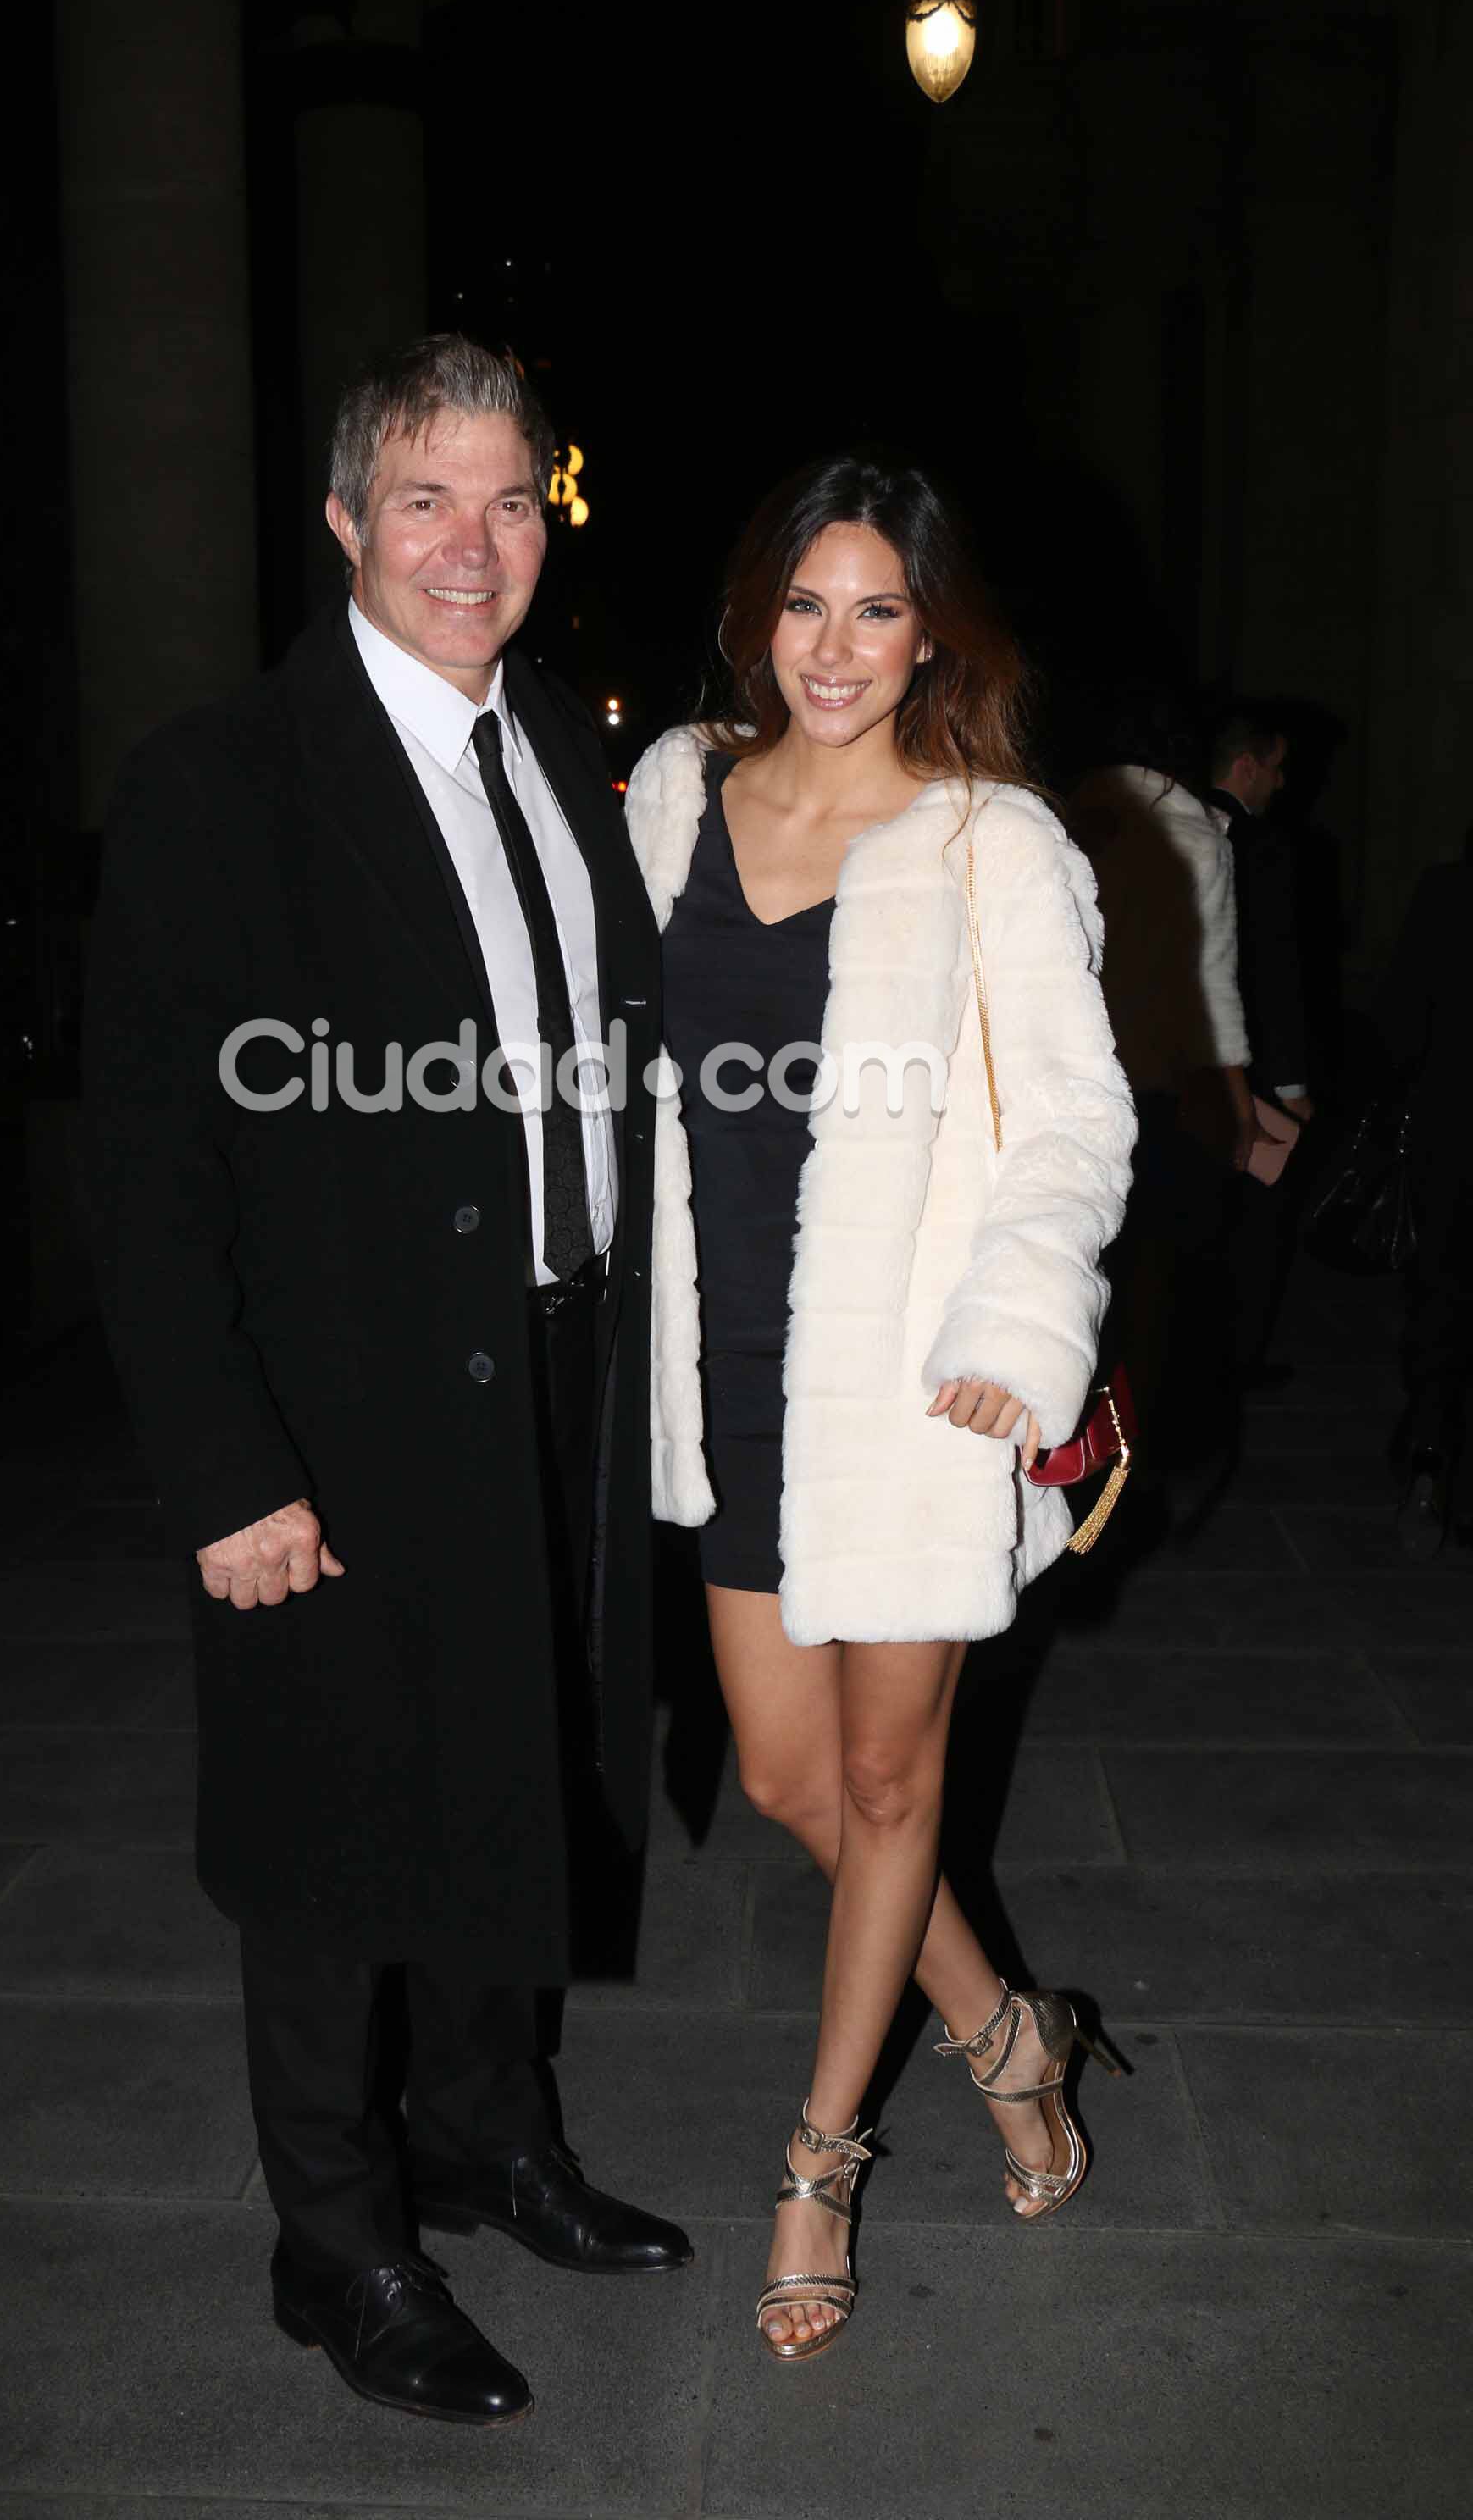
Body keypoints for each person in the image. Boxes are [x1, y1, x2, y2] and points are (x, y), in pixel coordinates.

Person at [84, 334, 687, 2431]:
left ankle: (483, 2133)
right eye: (422, 496)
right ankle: (332, 2243)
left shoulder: (554, 756)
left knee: (505, 1769)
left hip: (550, 1362)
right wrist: (223, 1466)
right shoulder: (221, 779)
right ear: (343, 520)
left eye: (509, 495)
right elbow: (149, 1172)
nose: (470, 539)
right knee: (334, 1834)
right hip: (332, 1412)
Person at [624, 454, 1135, 2361]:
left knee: (886, 1780)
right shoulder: (677, 794)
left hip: (917, 1381)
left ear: (932, 632)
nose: (833, 648)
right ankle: (1005, 2025)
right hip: (726, 1362)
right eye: (803, 604)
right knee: (778, 1776)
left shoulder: (991, 837)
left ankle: (820, 2157)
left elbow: (1079, 1114)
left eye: (877, 610)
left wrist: (1019, 1315)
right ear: (759, 614)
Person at [1067, 699, 1254, 1468]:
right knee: (1145, 1272)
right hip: (1150, 1085)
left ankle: (1061, 1425)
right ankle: (1121, 1444)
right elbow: (1214, 985)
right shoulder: (1197, 836)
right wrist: (1238, 1106)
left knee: (1078, 1260)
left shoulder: (1062, 817)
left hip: (1065, 1081)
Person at [1209, 708, 1315, 1387]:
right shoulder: (1260, 847)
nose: (1280, 784)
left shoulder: (1168, 823)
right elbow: (1273, 976)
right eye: (1275, 768)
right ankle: (1235, 1363)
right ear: (1247, 764)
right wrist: (1294, 1083)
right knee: (1254, 1226)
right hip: (1245, 1066)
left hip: (1179, 1066)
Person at [1380, 839, 1473, 1554]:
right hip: (1450, 1123)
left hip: (1452, 1126)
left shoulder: (1446, 890)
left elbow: (1403, 1018)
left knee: (1442, 1291)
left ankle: (1430, 1458)